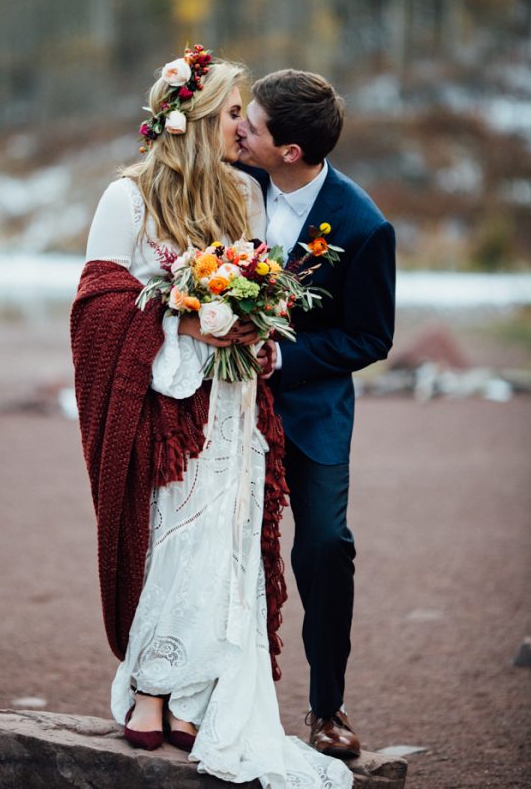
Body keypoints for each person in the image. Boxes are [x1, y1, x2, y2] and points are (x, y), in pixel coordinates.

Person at [71, 48, 353, 789]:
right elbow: (97, 311)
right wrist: (181, 325)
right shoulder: (126, 198)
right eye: (233, 113)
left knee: (224, 544)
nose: (244, 128)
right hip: (164, 409)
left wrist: (256, 338)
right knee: (172, 537)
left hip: (231, 407)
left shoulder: (245, 196)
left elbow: (259, 289)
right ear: (194, 116)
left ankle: (194, 692)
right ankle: (150, 685)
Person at [236, 69, 396, 759]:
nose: (239, 126)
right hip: (219, 398)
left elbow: (370, 336)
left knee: (326, 547)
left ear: (290, 152)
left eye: (254, 123)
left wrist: (282, 360)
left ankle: (327, 708)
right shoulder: (231, 180)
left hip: (309, 408)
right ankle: (201, 697)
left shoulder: (362, 226)